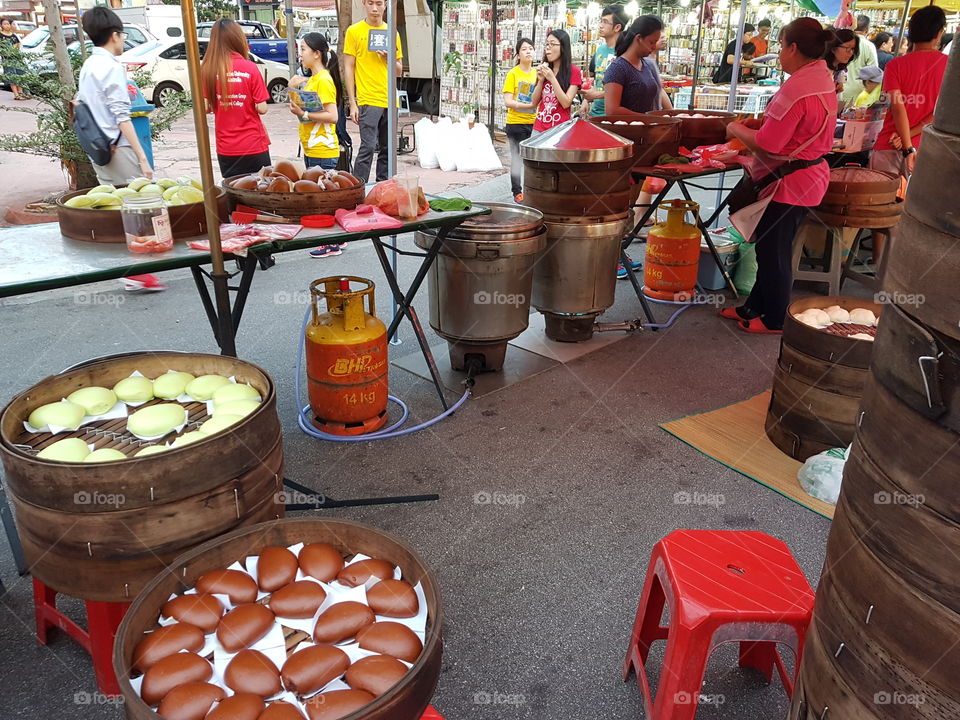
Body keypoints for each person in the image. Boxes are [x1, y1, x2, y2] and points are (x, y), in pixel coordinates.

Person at [722, 18, 837, 333]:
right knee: (769, 247)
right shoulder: (820, 77)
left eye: (780, 46)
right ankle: (753, 306)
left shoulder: (799, 85)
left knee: (774, 253)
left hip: (791, 183)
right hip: (806, 179)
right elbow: (795, 129)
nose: (779, 53)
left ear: (793, 48)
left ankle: (774, 320)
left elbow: (770, 144)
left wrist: (735, 128)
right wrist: (759, 125)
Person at [78, 7, 164, 293]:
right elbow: (121, 116)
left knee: (117, 208)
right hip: (118, 147)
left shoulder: (89, 65)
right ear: (114, 35)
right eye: (122, 35)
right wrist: (142, 157)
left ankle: (131, 271)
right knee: (138, 208)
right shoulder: (112, 67)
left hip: (98, 148)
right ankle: (137, 273)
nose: (123, 40)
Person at [870, 6, 947, 180]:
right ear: (939, 33)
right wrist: (910, 139)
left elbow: (898, 108)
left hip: (889, 145)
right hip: (925, 150)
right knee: (915, 206)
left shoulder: (895, 65)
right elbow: (941, 113)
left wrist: (906, 144)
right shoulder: (949, 67)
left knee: (877, 203)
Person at [289, 32, 346, 259]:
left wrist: (302, 112)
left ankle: (332, 242)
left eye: (303, 49)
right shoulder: (313, 79)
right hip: (314, 147)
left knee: (323, 197)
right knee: (322, 195)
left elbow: (332, 116)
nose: (300, 54)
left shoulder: (323, 80)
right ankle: (333, 241)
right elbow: (309, 117)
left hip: (323, 149)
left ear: (316, 53)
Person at [200, 19, 271, 179]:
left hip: (226, 147)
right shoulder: (250, 67)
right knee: (261, 192)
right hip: (253, 144)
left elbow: (204, 108)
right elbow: (262, 108)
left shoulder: (207, 70)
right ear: (238, 39)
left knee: (234, 193)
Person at [343, 0, 403, 183]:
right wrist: (352, 103)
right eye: (370, 3)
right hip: (368, 99)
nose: (375, 8)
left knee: (388, 149)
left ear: (386, 5)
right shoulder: (354, 31)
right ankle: (357, 187)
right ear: (364, 4)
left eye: (379, 3)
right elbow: (348, 67)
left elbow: (399, 70)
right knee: (368, 146)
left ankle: (383, 187)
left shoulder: (392, 32)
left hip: (391, 100)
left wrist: (389, 58)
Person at [603, 15, 671, 116]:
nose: (653, 46)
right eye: (651, 42)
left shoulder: (646, 65)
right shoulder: (618, 68)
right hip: (626, 130)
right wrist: (648, 118)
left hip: (647, 128)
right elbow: (612, 110)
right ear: (639, 38)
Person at [501, 38, 537, 203]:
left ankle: (533, 191)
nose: (528, 51)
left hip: (535, 122)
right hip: (516, 123)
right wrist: (526, 105)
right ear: (517, 55)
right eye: (524, 49)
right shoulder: (513, 74)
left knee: (534, 160)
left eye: (531, 48)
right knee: (517, 160)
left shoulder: (538, 74)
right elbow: (508, 101)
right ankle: (517, 192)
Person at [530, 29, 581, 133]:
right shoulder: (545, 69)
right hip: (539, 126)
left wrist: (552, 78)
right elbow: (534, 102)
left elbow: (566, 103)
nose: (548, 47)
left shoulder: (574, 72)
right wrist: (540, 81)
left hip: (560, 129)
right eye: (547, 44)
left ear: (563, 47)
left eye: (552, 44)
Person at [583, 4, 627, 118]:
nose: (600, 25)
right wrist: (586, 100)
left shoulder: (624, 52)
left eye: (605, 22)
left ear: (617, 27)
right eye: (601, 21)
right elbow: (597, 80)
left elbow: (624, 89)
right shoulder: (600, 49)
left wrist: (596, 95)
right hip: (595, 114)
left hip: (613, 117)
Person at [838, 15, 878, 108]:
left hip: (840, 89)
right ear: (867, 29)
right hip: (859, 93)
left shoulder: (843, 42)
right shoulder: (869, 46)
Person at [826, 29, 858, 97]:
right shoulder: (823, 71)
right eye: (848, 48)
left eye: (853, 49)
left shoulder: (839, 69)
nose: (851, 52)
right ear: (833, 48)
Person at [0, 18, 25, 100]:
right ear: (1, 25)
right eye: (5, 24)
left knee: (20, 74)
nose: (7, 26)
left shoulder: (14, 36)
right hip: (7, 59)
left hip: (17, 58)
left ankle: (21, 93)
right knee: (11, 76)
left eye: (8, 24)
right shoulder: (0, 35)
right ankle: (16, 94)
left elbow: (18, 46)